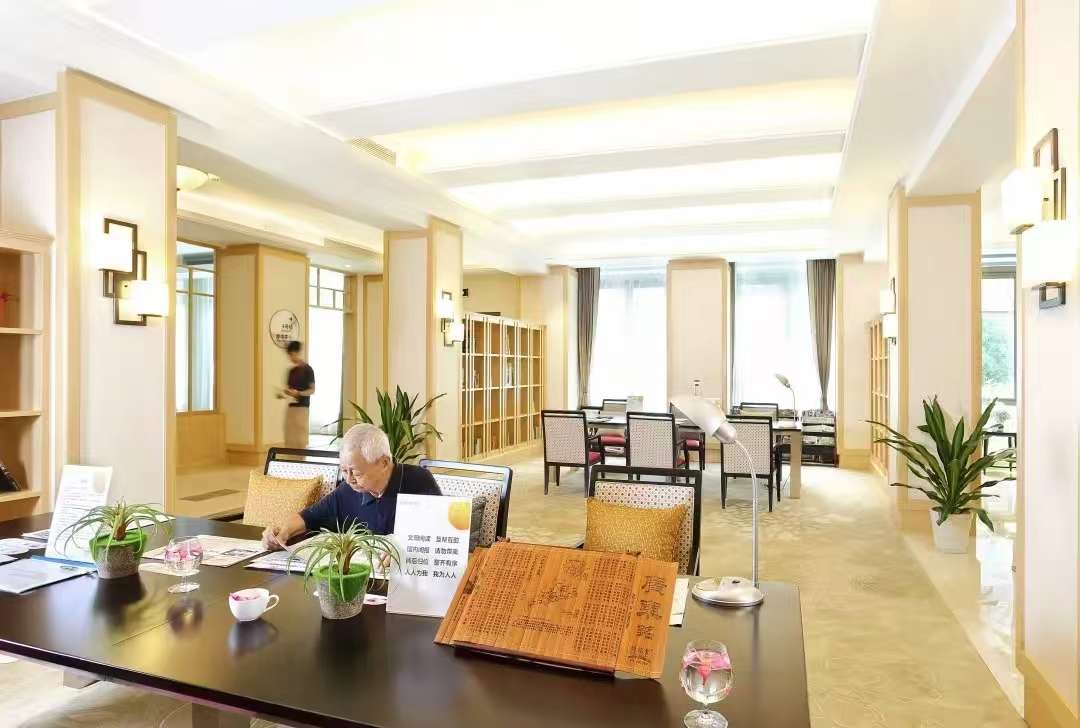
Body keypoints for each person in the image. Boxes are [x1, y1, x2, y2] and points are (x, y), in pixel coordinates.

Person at [261, 423, 442, 549]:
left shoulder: (419, 481)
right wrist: (282, 532)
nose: (348, 479)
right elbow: (309, 517)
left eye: (356, 472)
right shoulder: (348, 490)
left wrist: (405, 547)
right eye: (344, 470)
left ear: (384, 463)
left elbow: (441, 532)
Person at [283, 340, 315, 449]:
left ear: (298, 353)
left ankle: (301, 457)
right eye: (289, 355)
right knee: (289, 434)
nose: (291, 357)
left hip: (302, 406)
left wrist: (299, 393)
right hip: (291, 406)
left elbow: (312, 390)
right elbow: (288, 388)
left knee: (300, 435)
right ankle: (289, 457)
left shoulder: (308, 369)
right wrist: (286, 392)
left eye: (293, 354)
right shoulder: (291, 371)